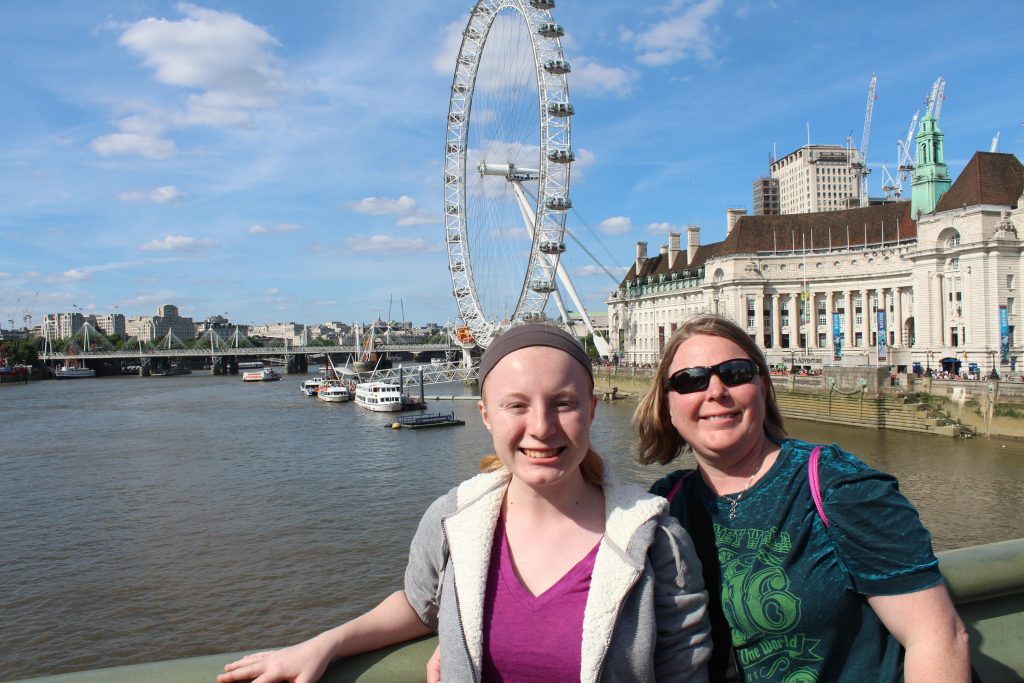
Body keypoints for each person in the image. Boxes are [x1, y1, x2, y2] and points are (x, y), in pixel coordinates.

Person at [220, 323, 711, 683]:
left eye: (563, 402)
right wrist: (322, 644)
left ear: (592, 409)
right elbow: (418, 606)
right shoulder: (453, 519)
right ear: (485, 415)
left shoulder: (656, 542)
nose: (541, 427)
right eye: (516, 405)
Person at [633, 313, 971, 683]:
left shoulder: (837, 485)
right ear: (667, 403)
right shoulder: (663, 507)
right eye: (690, 380)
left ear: (762, 387)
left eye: (735, 373)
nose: (715, 391)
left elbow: (937, 637)